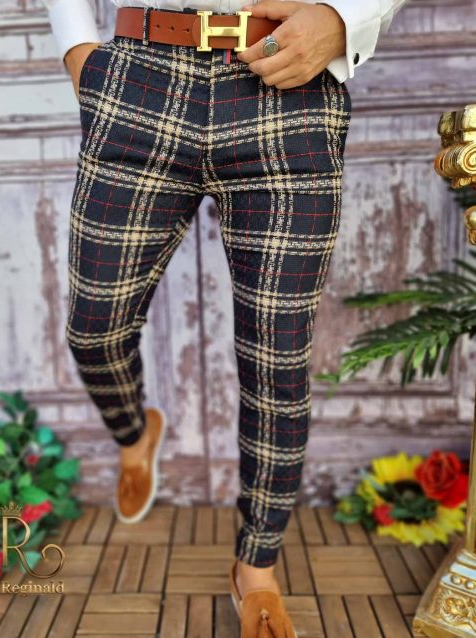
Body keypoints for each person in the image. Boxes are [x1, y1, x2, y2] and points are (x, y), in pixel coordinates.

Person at [43, 0, 406, 634]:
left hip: (286, 80)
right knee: (94, 328)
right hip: (140, 77)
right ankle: (135, 435)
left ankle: (256, 569)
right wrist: (78, 49)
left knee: (276, 361)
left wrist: (345, 18)